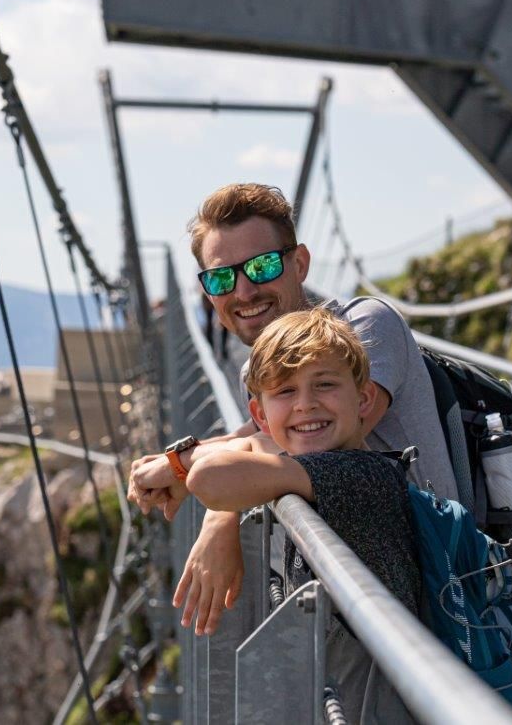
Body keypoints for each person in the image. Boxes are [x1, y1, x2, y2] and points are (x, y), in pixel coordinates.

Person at [127, 183, 456, 636]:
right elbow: (260, 438)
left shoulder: (365, 326)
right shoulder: (256, 372)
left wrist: (205, 491)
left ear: (299, 263)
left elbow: (308, 442)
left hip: (440, 606)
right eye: (221, 278)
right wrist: (200, 476)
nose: (244, 291)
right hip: (340, 614)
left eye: (262, 266)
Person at [166, 308, 419, 723]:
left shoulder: (363, 475)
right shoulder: (327, 466)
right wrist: (221, 516)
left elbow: (208, 477)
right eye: (285, 391)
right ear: (260, 416)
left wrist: (219, 512)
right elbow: (254, 449)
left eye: (325, 384)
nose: (306, 404)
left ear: (364, 399)